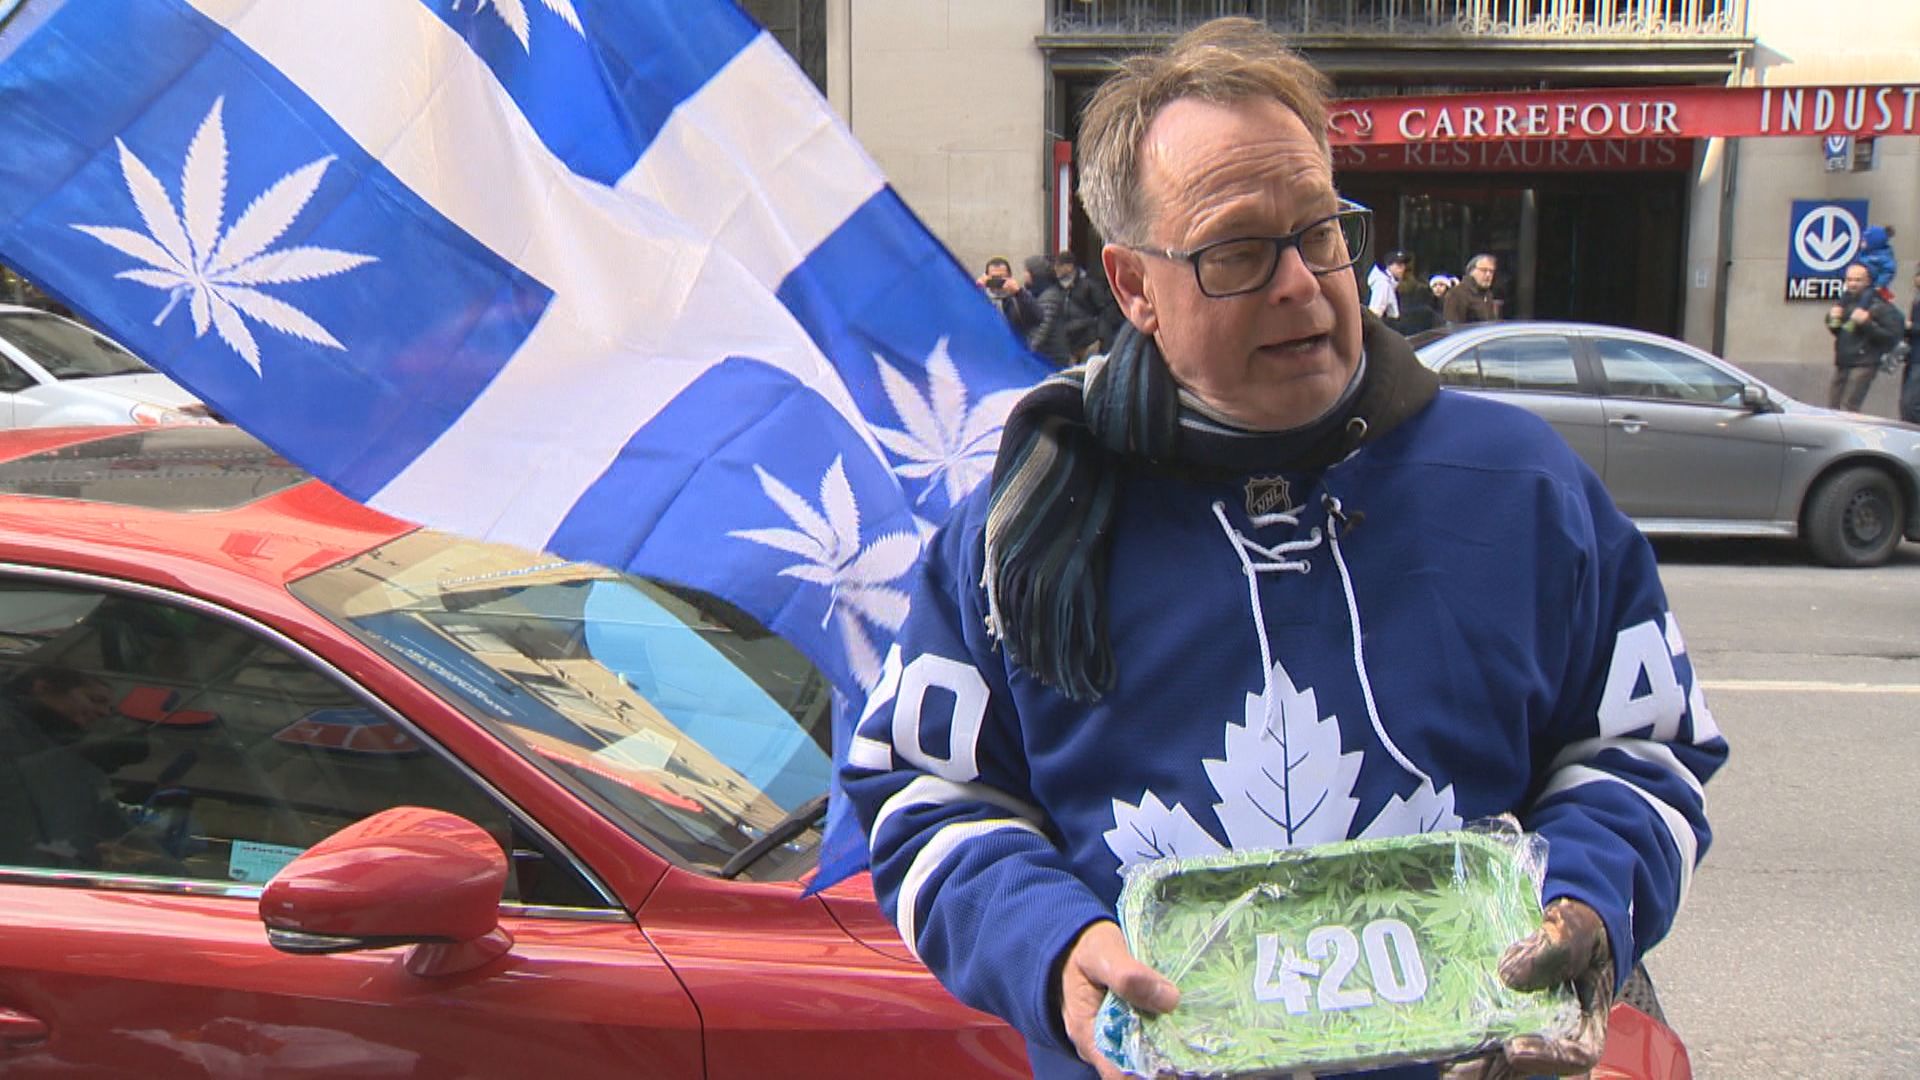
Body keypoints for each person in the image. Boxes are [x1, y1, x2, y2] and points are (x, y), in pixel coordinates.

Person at [843, 18, 1722, 1080]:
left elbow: (1644, 753)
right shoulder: (1019, 527)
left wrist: (1586, 897)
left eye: (1321, 232)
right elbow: (928, 800)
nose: (1301, 282)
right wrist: (1053, 951)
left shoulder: (1526, 489)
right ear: (1133, 286)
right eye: (1238, 252)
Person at [1825, 261, 1905, 413]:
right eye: (1849, 279)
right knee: (1832, 408)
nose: (1852, 284)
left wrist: (1866, 323)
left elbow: (1891, 337)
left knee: (1848, 408)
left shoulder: (1879, 305)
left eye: (1858, 280)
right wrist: (1832, 320)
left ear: (1868, 281)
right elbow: (1842, 332)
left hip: (1864, 362)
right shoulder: (1844, 302)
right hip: (1843, 361)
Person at [1054, 250, 1125, 359]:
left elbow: (1104, 311)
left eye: (1059, 265)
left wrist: (1101, 337)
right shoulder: (1059, 287)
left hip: (1089, 341)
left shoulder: (1089, 285)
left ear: (1069, 267)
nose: (1055, 269)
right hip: (1071, 343)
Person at [1023, 254, 1076, 366]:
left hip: (1052, 359)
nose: (1024, 275)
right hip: (1046, 357)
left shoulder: (1049, 296)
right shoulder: (1036, 293)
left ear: (1035, 273)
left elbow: (1041, 329)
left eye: (1027, 271)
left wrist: (1026, 353)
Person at [977, 256, 1040, 338]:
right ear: (986, 277)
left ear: (1010, 277)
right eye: (994, 278)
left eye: (1001, 277)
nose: (998, 282)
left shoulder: (1018, 297)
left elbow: (1038, 317)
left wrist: (1019, 292)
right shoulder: (980, 297)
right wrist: (976, 290)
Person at [1443, 254, 1500, 324]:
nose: (1488, 275)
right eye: (1484, 270)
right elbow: (1452, 326)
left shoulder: (1488, 295)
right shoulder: (1456, 294)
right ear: (1471, 271)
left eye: (1491, 271)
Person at [1366, 248, 1410, 322]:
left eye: (1404, 264)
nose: (1402, 268)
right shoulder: (1383, 284)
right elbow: (1374, 315)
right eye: (1399, 265)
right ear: (1389, 266)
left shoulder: (1390, 284)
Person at [1859, 225, 1898, 303]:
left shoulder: (1884, 257)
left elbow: (1888, 271)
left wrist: (1879, 285)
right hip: (1863, 286)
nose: (1861, 243)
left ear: (1874, 242)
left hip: (1875, 288)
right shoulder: (1864, 254)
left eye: (1864, 240)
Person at [1904, 265, 1920, 424]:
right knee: (1906, 403)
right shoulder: (1917, 298)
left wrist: (1911, 326)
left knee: (1911, 405)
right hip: (1912, 356)